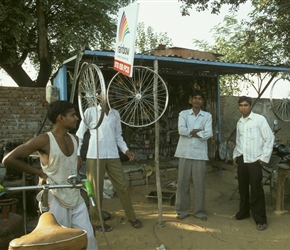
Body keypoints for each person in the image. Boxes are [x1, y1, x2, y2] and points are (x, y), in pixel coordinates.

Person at [2, 100, 98, 249]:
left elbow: (71, 164)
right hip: (54, 197)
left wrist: (76, 164)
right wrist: (40, 173)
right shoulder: (45, 140)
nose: (76, 118)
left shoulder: (75, 139)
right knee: (60, 241)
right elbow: (8, 159)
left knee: (88, 237)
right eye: (73, 115)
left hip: (74, 196)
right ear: (60, 118)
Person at [76, 103, 142, 232]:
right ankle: (96, 221)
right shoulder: (90, 112)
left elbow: (118, 136)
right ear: (98, 94)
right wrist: (78, 154)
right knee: (95, 189)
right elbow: (79, 134)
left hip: (112, 155)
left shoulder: (115, 114)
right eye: (102, 92)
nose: (105, 96)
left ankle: (132, 217)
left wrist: (126, 150)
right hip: (95, 155)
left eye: (107, 93)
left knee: (122, 186)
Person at [232, 96, 274, 231]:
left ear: (250, 106)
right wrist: (235, 156)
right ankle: (243, 212)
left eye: (245, 105)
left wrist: (263, 157)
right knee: (242, 187)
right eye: (240, 105)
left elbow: (269, 138)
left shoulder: (259, 120)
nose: (243, 108)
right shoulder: (239, 122)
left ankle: (261, 219)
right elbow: (238, 141)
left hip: (255, 160)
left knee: (256, 189)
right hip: (242, 159)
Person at [174, 90, 213, 221]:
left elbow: (209, 133)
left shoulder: (207, 116)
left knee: (199, 185)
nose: (197, 100)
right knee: (182, 184)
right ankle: (182, 211)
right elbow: (181, 130)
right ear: (191, 100)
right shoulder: (183, 114)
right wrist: (197, 132)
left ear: (202, 101)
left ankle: (200, 212)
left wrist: (191, 132)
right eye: (195, 98)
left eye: (199, 98)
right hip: (184, 152)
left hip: (200, 154)